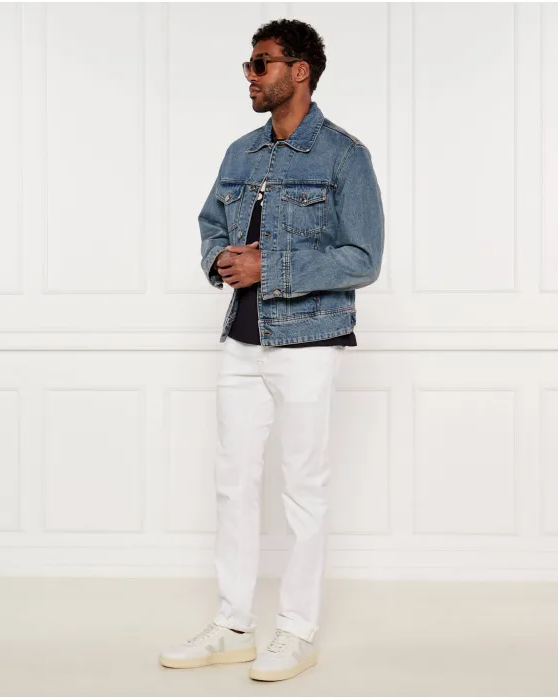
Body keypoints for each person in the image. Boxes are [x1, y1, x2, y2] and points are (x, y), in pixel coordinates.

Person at [159, 18, 384, 682]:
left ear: (299, 70)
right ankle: (233, 625)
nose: (250, 76)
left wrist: (273, 267)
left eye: (261, 64)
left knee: (304, 487)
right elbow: (210, 224)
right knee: (233, 483)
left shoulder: (344, 156)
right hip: (241, 340)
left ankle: (297, 630)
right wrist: (220, 259)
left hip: (308, 339)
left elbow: (363, 257)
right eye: (249, 65)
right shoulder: (240, 153)